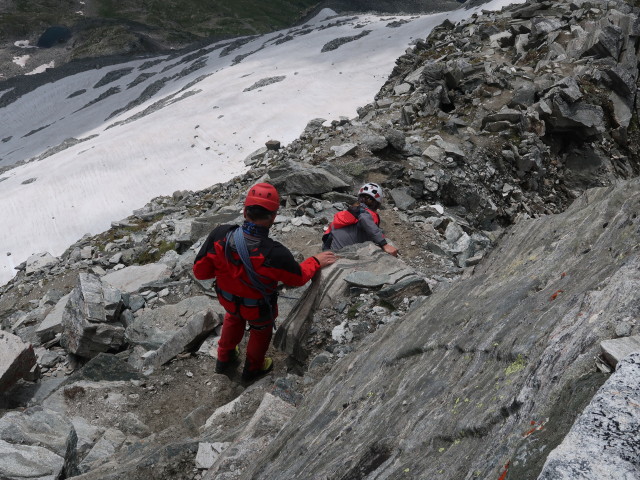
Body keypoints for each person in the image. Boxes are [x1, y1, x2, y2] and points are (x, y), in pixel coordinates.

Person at [193, 182, 337, 381]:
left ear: (245, 211)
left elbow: (200, 272)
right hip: (258, 308)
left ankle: (224, 357)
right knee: (260, 331)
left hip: (227, 299)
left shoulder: (220, 235)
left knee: (233, 317)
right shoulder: (275, 253)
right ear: (273, 217)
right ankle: (253, 368)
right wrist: (314, 261)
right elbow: (298, 278)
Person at [322, 182, 398, 257]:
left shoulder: (350, 212)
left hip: (330, 249)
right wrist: (384, 244)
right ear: (377, 203)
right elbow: (366, 221)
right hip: (344, 253)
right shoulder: (366, 213)